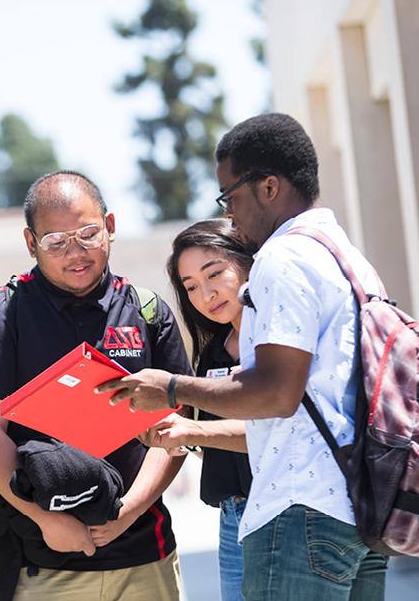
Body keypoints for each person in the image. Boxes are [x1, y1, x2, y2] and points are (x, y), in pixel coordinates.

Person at [98, 113, 388, 600]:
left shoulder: (282, 256)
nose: (230, 215)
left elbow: (276, 392)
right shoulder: (344, 255)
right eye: (190, 286)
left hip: (300, 509)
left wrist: (170, 387)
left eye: (230, 197)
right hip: (358, 504)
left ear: (269, 187)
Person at [0, 170, 193, 601]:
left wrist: (127, 512)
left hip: (144, 555)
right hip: (39, 562)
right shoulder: (1, 316)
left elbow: (175, 428)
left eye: (87, 234)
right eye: (55, 242)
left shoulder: (148, 312)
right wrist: (45, 519)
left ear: (110, 228)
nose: (74, 252)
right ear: (30, 243)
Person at [144, 219, 253, 601]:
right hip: (232, 516)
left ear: (247, 263)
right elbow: (213, 441)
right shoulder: (212, 351)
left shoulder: (275, 339)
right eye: (190, 287)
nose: (205, 294)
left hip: (284, 515)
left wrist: (190, 432)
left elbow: (275, 433)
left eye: (214, 274)